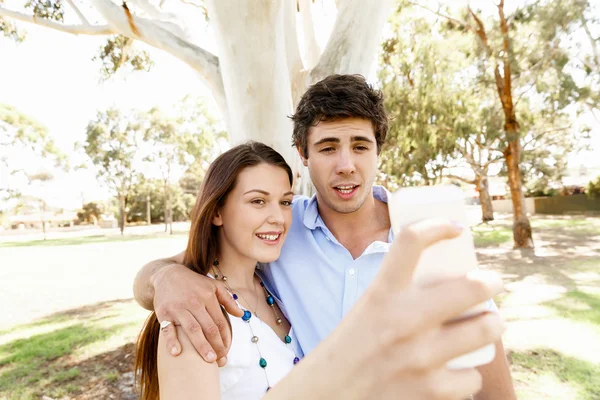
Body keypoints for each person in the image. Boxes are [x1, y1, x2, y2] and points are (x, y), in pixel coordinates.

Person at [134, 75, 516, 399]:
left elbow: (485, 355)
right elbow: (172, 271)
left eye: (360, 146)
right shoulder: (278, 231)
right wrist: (164, 277)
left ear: (378, 151)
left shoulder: (426, 239)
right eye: (328, 147)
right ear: (303, 154)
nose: (346, 165)